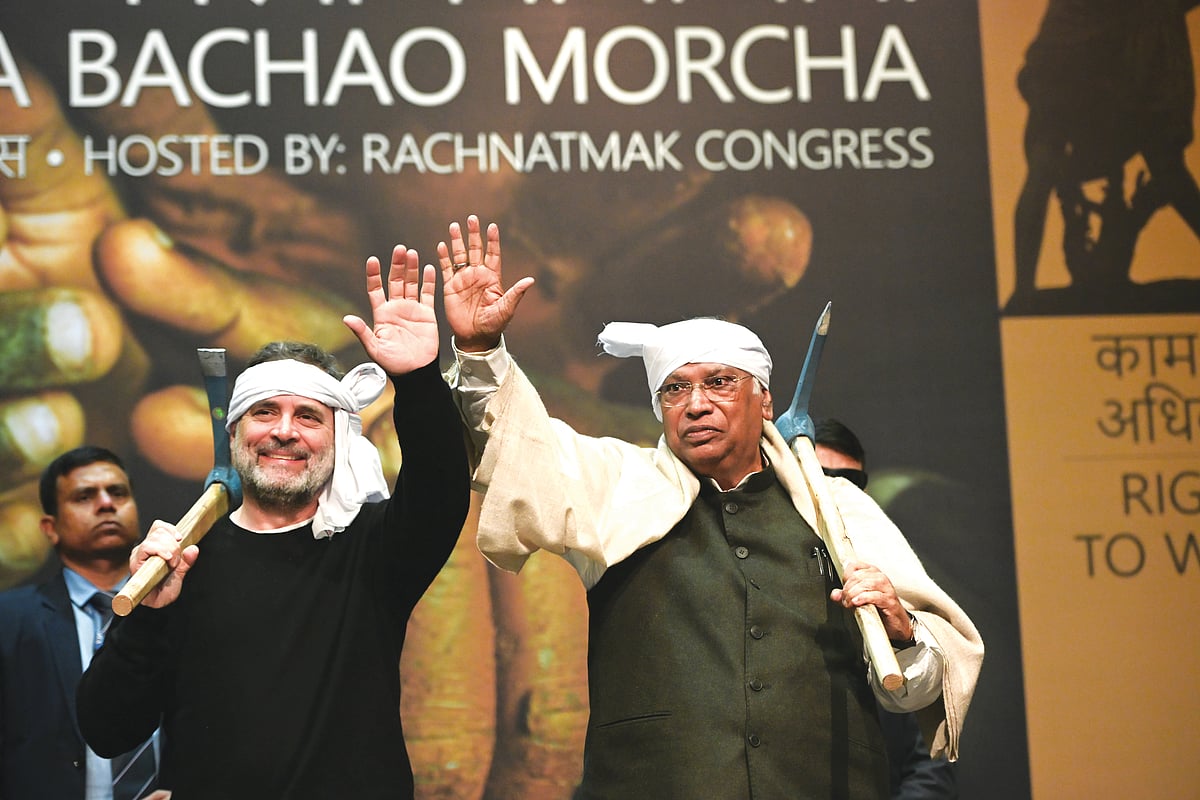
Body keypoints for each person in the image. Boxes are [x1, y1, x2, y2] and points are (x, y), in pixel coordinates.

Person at [439, 215, 984, 799]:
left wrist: (902, 632)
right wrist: (480, 350)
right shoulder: (616, 487)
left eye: (719, 382)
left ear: (764, 400)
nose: (696, 404)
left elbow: (918, 690)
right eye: (675, 389)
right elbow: (517, 445)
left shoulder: (837, 509)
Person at [75, 249, 471, 798]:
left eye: (308, 416)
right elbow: (106, 730)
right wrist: (146, 616)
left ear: (339, 440)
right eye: (265, 412)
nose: (285, 431)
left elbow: (441, 483)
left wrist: (420, 379)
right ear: (234, 435)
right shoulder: (182, 564)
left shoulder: (375, 547)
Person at [0, 446, 162, 800]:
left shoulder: (174, 610)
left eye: (117, 493)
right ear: (50, 528)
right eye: (84, 496)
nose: (106, 504)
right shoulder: (9, 620)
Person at [814, 418, 958, 800]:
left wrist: (903, 635)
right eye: (819, 478)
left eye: (849, 482)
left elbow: (930, 763)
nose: (834, 493)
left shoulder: (894, 584)